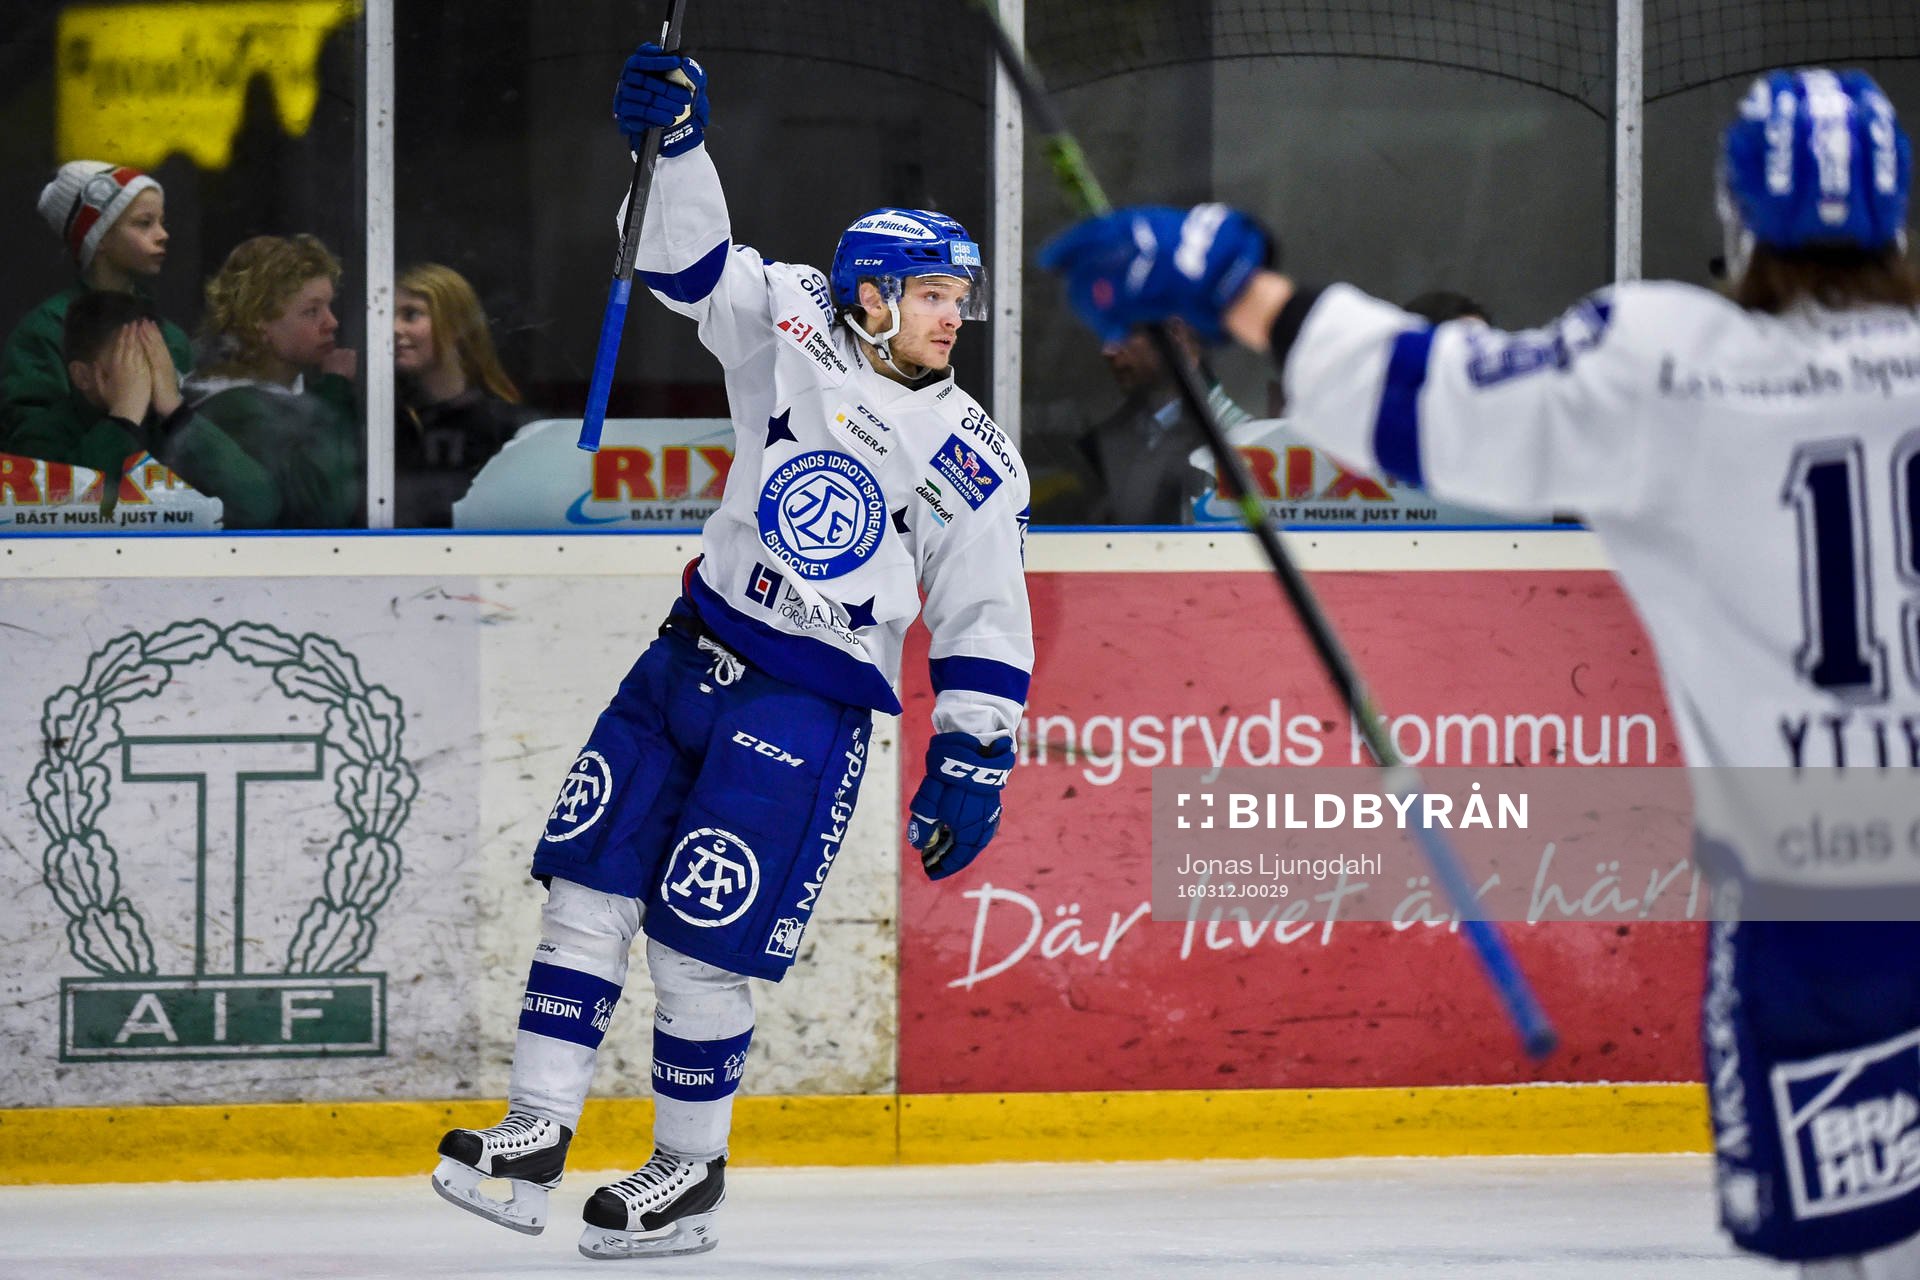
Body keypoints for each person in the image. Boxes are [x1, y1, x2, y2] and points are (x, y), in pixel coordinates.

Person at [1040, 67, 1920, 1279]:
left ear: (1740, 218)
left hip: (1828, 900)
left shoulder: (1675, 364)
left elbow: (1427, 404)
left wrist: (1241, 284)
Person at [429, 41, 1032, 1260]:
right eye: (933, 294)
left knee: (699, 943)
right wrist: (679, 142)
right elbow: (687, 265)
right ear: (870, 294)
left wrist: (975, 760)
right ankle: (536, 1127)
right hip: (687, 652)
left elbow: (980, 617)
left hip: (807, 705)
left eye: (959, 296)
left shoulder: (972, 454)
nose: (953, 314)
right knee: (588, 887)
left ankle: (686, 1173)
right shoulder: (795, 319)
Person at [1, 161, 192, 480]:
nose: (163, 235)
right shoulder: (45, 332)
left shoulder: (169, 336)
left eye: (161, 221)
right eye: (144, 223)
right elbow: (37, 465)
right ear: (99, 237)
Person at [183, 234, 362, 529]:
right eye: (311, 311)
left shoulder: (288, 392)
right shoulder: (233, 410)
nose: (332, 322)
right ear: (259, 322)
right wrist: (336, 389)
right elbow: (325, 509)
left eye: (329, 306)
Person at [58, 290, 276, 526]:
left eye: (155, 354)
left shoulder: (173, 425)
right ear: (83, 376)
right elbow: (61, 516)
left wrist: (176, 413)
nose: (148, 372)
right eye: (130, 358)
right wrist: (123, 417)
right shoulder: (48, 431)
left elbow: (259, 506)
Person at [393, 263, 535, 527]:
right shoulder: (385, 422)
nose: (394, 328)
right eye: (386, 315)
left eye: (411, 315)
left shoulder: (509, 429)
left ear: (456, 323)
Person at [1075, 318, 1250, 524]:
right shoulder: (1099, 446)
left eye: (1125, 333)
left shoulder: (1244, 443)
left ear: (1178, 338)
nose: (1109, 350)